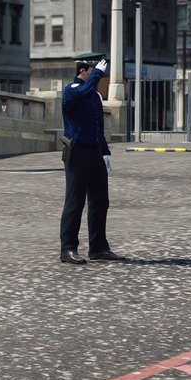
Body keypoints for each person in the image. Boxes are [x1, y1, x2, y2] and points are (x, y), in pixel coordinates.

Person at [58, 52, 124, 265]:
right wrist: (98, 72)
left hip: (95, 151)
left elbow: (98, 127)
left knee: (100, 202)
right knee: (74, 202)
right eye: (92, 72)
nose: (97, 76)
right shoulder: (71, 90)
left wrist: (105, 151)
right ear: (82, 71)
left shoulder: (94, 95)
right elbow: (83, 90)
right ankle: (68, 249)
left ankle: (98, 247)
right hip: (77, 153)